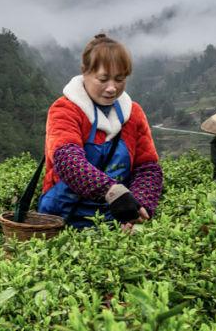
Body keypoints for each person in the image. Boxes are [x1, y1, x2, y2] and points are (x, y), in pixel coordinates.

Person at [38, 33, 163, 230]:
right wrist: (112, 191)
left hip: (114, 221)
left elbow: (147, 168)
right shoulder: (65, 110)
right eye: (103, 79)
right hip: (60, 220)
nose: (112, 88)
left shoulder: (134, 113)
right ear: (85, 72)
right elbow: (67, 159)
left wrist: (137, 208)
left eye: (119, 79)